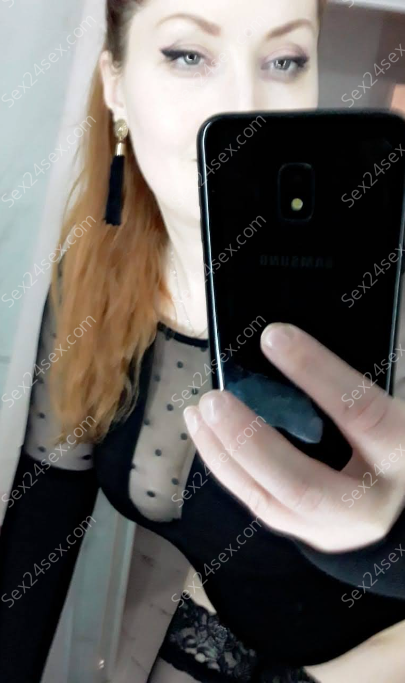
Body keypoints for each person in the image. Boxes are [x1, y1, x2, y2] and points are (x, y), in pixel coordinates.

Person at [1, 0, 405, 681]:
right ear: (115, 85)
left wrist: (383, 535)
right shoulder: (91, 280)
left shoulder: (383, 290)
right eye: (188, 55)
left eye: (285, 60)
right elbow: (45, 513)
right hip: (225, 629)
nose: (245, 107)